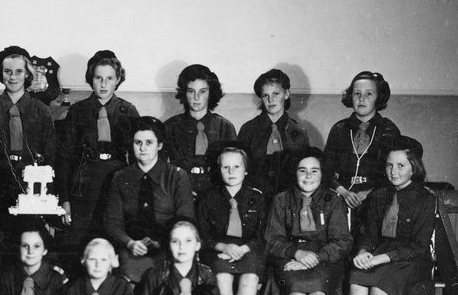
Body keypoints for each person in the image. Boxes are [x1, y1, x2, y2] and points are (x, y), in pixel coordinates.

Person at [348, 141, 435, 295]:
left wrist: (381, 258)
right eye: (389, 165)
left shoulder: (425, 199)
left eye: (400, 165)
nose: (393, 171)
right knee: (356, 282)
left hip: (410, 261)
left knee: (378, 287)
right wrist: (364, 251)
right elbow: (368, 233)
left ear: (413, 168)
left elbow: (418, 247)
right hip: (380, 255)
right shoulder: (379, 195)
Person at [264, 148, 352, 295]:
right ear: (295, 173)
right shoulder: (282, 200)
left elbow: (342, 241)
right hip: (290, 258)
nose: (308, 176)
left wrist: (319, 256)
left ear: (323, 175)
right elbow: (272, 239)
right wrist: (296, 253)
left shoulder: (333, 200)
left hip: (325, 261)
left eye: (314, 171)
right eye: (303, 170)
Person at [0, 45, 57, 262]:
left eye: (18, 72)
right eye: (8, 72)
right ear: (0, 74)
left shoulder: (41, 110)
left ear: (27, 74)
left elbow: (51, 155)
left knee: (26, 245)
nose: (13, 77)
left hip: (30, 189)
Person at [56, 49, 139, 248]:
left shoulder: (128, 111)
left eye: (109, 78)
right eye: (98, 78)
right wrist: (65, 200)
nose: (103, 84)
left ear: (118, 80)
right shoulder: (77, 112)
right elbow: (65, 158)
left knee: (113, 238)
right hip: (84, 185)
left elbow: (137, 158)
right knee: (80, 241)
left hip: (116, 183)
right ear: (90, 79)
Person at [196, 144, 266, 295]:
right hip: (218, 250)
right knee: (223, 279)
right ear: (219, 170)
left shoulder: (257, 197)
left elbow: (263, 235)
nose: (231, 171)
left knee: (250, 279)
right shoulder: (208, 197)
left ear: (246, 170)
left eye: (236, 166)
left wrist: (244, 249)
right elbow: (202, 234)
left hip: (248, 250)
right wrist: (222, 246)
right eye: (226, 167)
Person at [104, 116, 194, 283]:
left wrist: (160, 243)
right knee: (125, 273)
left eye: (149, 143)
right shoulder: (120, 177)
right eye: (138, 143)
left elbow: (186, 221)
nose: (143, 148)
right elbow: (112, 222)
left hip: (168, 247)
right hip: (130, 246)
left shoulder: (177, 176)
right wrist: (129, 243)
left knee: (163, 278)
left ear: (159, 145)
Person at [323, 70, 402, 216]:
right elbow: (326, 169)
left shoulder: (389, 129)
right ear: (350, 97)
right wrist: (343, 191)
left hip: (377, 200)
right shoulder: (339, 129)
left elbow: (394, 173)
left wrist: (369, 192)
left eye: (369, 94)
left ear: (378, 98)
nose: (361, 99)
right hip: (342, 198)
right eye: (357, 93)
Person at [236, 68, 310, 205]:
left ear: (286, 94)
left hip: (288, 201)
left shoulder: (299, 132)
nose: (271, 100)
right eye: (265, 95)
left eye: (276, 93)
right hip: (254, 200)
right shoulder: (248, 130)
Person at [163, 64, 238, 197]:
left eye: (202, 91)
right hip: (180, 189)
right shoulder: (170, 126)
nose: (196, 97)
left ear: (210, 93)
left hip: (216, 192)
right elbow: (162, 168)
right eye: (191, 91)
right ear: (184, 93)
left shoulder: (225, 127)